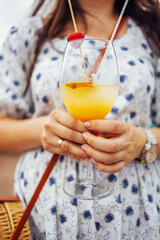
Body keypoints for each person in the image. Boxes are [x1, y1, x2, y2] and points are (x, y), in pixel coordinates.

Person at [0, 0, 160, 239]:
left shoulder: (152, 33)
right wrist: (42, 129)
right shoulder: (28, 35)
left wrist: (142, 141)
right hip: (44, 217)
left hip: (138, 213)